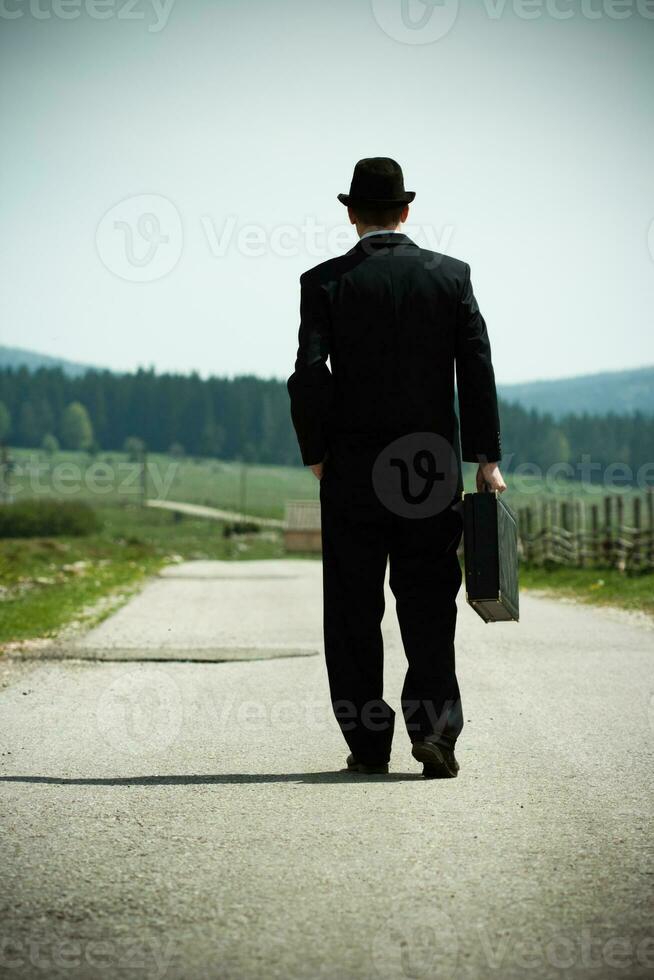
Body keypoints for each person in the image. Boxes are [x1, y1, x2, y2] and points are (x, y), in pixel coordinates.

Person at [287, 158, 506, 779]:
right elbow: (477, 367)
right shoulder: (451, 276)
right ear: (406, 212)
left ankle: (369, 743)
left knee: (353, 606)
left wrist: (317, 453)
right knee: (429, 600)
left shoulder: (324, 282)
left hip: (353, 468)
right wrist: (487, 459)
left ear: (351, 213)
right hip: (430, 468)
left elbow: (308, 374)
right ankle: (435, 733)